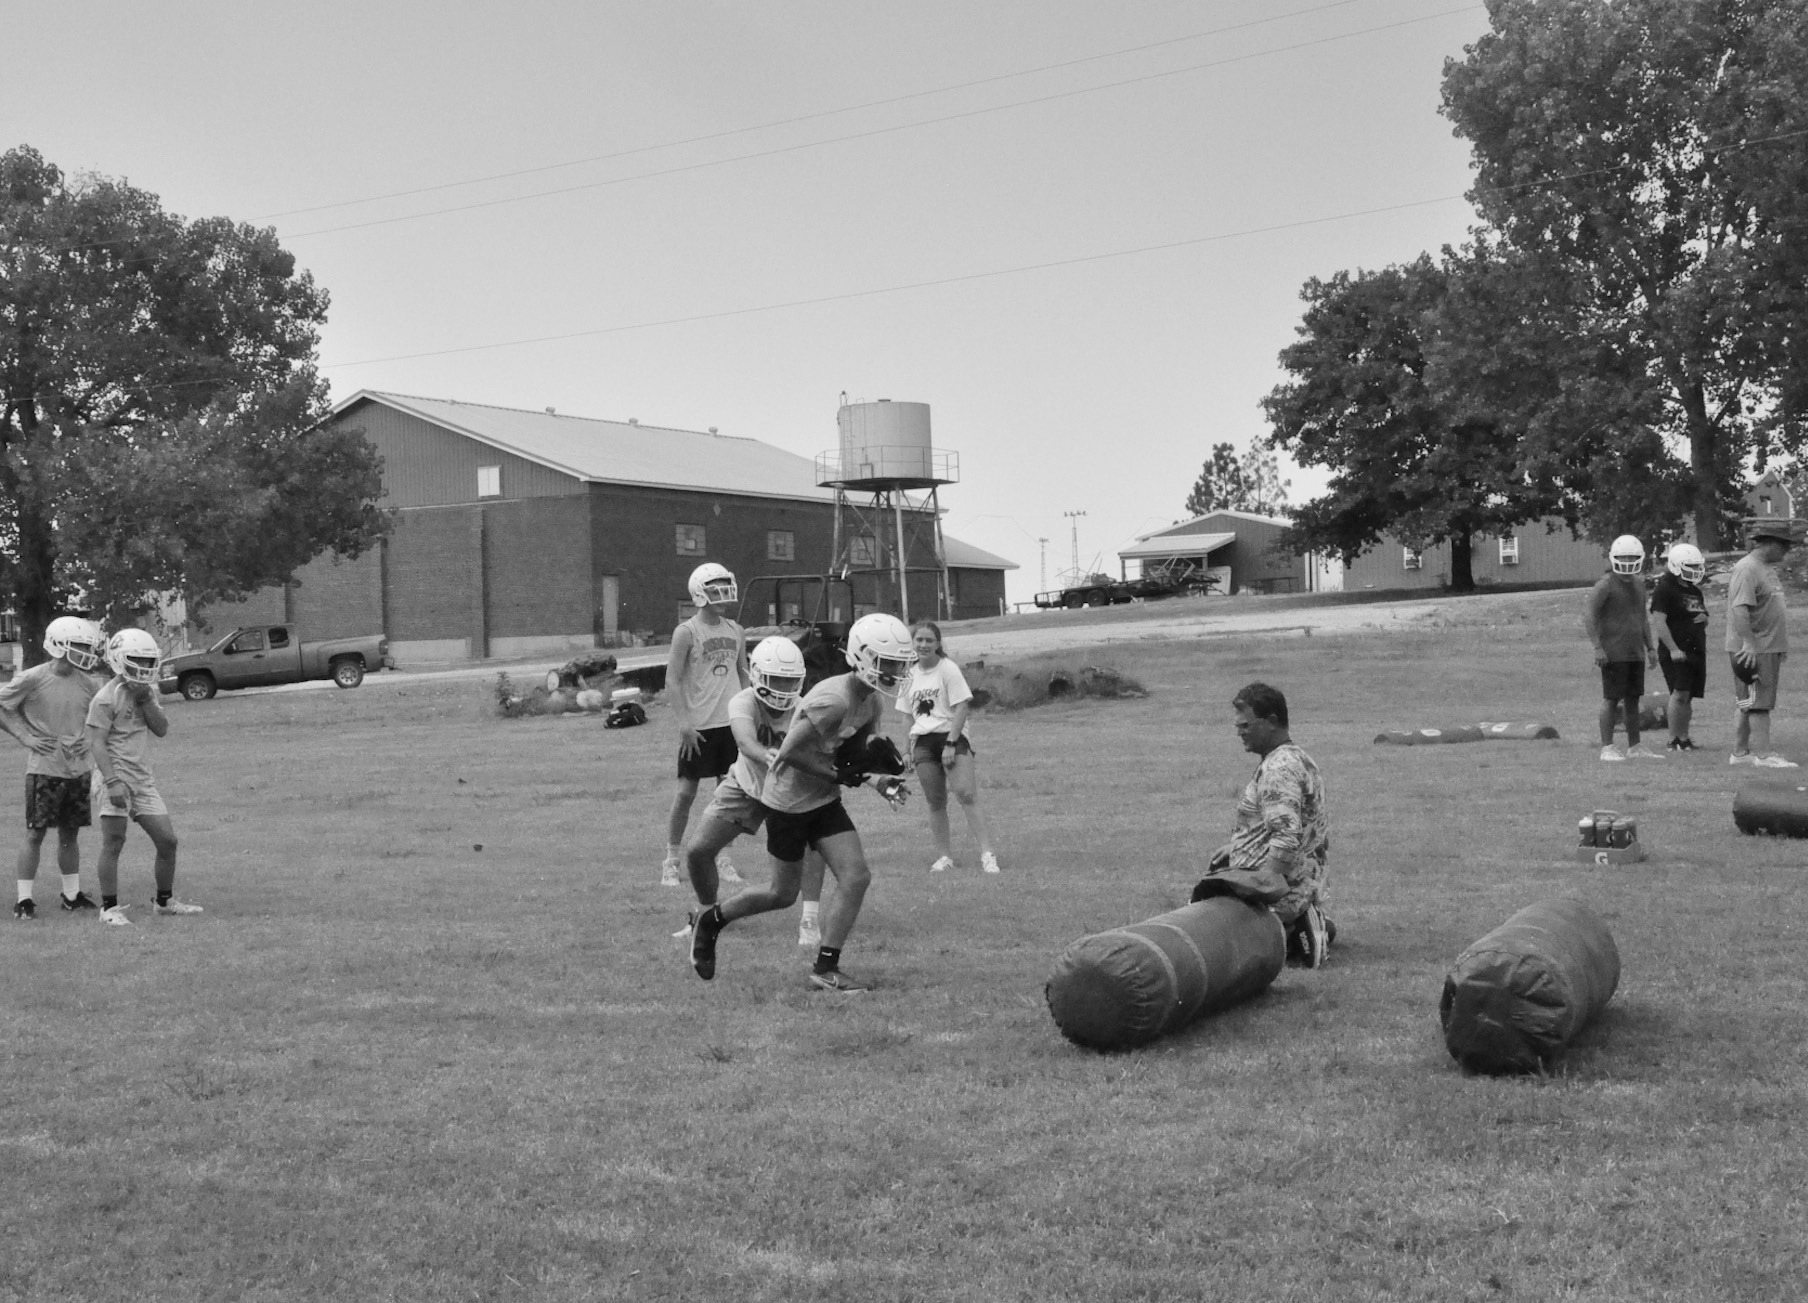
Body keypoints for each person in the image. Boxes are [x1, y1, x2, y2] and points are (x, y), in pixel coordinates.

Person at [688, 613, 914, 993]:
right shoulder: (834, 699)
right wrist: (838, 775)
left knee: (856, 876)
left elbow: (850, 756)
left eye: (898, 663)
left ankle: (826, 968)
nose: (895, 671)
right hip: (788, 803)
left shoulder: (871, 702)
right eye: (888, 662)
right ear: (863, 657)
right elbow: (787, 755)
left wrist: (877, 778)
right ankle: (711, 920)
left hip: (823, 800)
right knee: (781, 894)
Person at [679, 635, 829, 949]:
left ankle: (810, 919)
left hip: (791, 790)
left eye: (790, 681)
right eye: (776, 680)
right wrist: (766, 755)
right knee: (698, 851)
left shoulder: (805, 708)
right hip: (747, 784)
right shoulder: (743, 700)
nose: (784, 688)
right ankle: (707, 915)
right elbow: (745, 741)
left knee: (810, 846)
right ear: (758, 675)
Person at [1192, 682, 1333, 967]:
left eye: (1246, 725)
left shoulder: (1278, 768)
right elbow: (1291, 824)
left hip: (1278, 890)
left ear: (1271, 721)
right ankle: (1303, 924)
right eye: (1237, 726)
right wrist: (1236, 847)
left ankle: (1294, 926)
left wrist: (1263, 892)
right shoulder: (1296, 757)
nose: (1240, 732)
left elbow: (1286, 836)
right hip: (1299, 879)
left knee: (1211, 942)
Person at [84, 629, 200, 924]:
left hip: (142, 779)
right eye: (138, 660)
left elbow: (161, 728)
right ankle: (108, 909)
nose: (145, 667)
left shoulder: (147, 692)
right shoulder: (105, 698)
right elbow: (96, 743)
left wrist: (146, 699)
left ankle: (164, 901)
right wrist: (112, 782)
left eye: (149, 661)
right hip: (115, 777)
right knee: (114, 841)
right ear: (120, 659)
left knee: (168, 841)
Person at [0, 616, 107, 919]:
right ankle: (24, 900)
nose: (84, 652)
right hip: (44, 769)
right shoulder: (33, 678)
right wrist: (25, 737)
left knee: (70, 834)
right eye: (78, 646)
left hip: (77, 769)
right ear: (59, 645)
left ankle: (71, 895)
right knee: (35, 834)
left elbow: (99, 718)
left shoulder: (89, 683)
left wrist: (88, 739)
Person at [660, 562, 749, 887]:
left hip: (731, 725)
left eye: (726, 587)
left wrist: (752, 714)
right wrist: (684, 724)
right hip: (698, 727)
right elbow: (672, 680)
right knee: (686, 793)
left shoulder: (736, 630)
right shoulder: (686, 632)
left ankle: (723, 859)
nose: (723, 595)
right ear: (701, 593)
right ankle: (671, 861)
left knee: (728, 796)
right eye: (716, 589)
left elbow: (743, 673)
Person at [897, 620, 999, 874]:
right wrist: (906, 750)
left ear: (938, 644)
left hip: (950, 736)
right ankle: (944, 857)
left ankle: (987, 853)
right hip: (923, 742)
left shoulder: (947, 669)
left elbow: (962, 707)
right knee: (935, 801)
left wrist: (951, 743)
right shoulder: (908, 675)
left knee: (966, 794)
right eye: (919, 640)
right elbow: (907, 716)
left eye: (929, 640)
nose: (923, 645)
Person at [1585, 535, 1662, 762]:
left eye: (1632, 557)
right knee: (1611, 698)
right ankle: (1607, 747)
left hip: (1635, 652)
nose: (1628, 562)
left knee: (1633, 699)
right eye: (1624, 557)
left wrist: (1650, 647)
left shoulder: (1639, 584)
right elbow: (1589, 616)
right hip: (1613, 652)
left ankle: (1634, 746)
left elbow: (1642, 618)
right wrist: (1597, 647)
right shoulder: (1605, 585)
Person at [1727, 521, 1798, 768]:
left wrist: (1780, 645)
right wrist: (1749, 643)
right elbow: (1740, 609)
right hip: (1755, 648)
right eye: (1784, 546)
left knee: (1748, 702)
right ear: (1770, 544)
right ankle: (1765, 756)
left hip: (1769, 646)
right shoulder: (1747, 568)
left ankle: (1739, 753)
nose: (1787, 551)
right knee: (1759, 703)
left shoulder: (1765, 568)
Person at [1650, 542, 1709, 752]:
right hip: (1677, 650)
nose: (1694, 570)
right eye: (1690, 566)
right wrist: (1673, 648)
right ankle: (1674, 739)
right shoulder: (1665, 589)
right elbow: (1659, 621)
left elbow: (1700, 616)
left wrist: (1704, 618)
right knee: (1680, 693)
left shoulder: (1694, 590)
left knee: (1689, 695)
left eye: (1696, 566)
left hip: (1695, 649)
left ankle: (1684, 738)